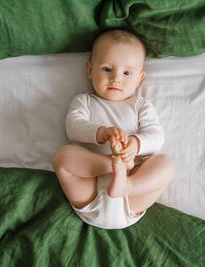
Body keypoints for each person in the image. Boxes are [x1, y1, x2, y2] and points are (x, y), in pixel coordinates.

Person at [52, 29, 175, 229]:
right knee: (62, 156)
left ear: (140, 78)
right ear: (90, 69)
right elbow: (73, 127)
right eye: (107, 69)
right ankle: (110, 164)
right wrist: (101, 133)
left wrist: (135, 144)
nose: (116, 79)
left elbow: (156, 136)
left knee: (165, 164)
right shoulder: (84, 101)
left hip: (130, 195)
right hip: (88, 189)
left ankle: (127, 184)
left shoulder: (140, 105)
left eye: (127, 73)